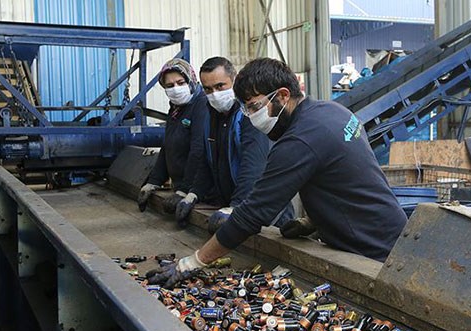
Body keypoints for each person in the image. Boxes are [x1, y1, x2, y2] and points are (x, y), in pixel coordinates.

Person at [148, 58, 407, 288]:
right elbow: (346, 176)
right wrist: (314, 221)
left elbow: (252, 214)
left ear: (283, 95)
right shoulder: (332, 112)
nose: (250, 116)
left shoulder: (298, 141)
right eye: (246, 108)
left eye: (254, 106)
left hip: (372, 252)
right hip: (392, 234)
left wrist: (193, 262)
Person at [174, 56, 293, 228]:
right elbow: (208, 161)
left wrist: (237, 206)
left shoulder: (250, 113)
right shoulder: (211, 115)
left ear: (234, 81)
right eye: (208, 89)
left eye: (220, 86)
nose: (214, 94)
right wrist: (193, 193)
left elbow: (253, 165)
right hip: (236, 208)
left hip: (268, 213)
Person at [137, 58, 208, 215]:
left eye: (180, 82)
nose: (176, 89)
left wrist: (185, 190)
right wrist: (154, 181)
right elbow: (167, 146)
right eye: (169, 86)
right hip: (180, 188)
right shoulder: (176, 109)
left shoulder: (201, 105)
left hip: (198, 190)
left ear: (191, 81)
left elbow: (198, 150)